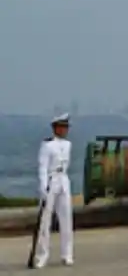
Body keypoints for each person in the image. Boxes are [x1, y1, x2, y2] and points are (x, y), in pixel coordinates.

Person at [32, 113, 73, 269]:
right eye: (62, 127)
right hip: (51, 179)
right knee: (45, 220)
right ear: (55, 128)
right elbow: (42, 167)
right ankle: (43, 255)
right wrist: (43, 186)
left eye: (66, 127)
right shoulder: (47, 145)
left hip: (63, 179)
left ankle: (67, 254)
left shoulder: (68, 144)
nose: (65, 130)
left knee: (66, 218)